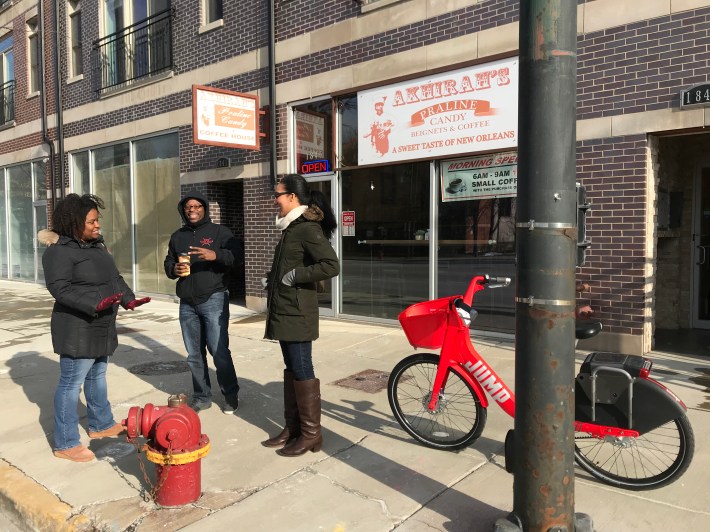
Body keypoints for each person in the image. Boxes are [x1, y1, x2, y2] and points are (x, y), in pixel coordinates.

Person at [39, 194, 151, 462]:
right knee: (70, 385)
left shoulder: (97, 247)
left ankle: (101, 424)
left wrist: (128, 298)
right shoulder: (59, 252)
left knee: (97, 376)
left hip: (102, 323)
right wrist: (97, 303)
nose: (97, 225)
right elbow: (60, 289)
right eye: (91, 221)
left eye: (97, 220)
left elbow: (115, 278)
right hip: (77, 326)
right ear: (74, 223)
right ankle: (65, 443)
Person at [261, 174, 340, 457]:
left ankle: (311, 434)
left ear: (293, 197)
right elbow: (288, 264)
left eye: (278, 194)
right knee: (292, 369)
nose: (275, 200)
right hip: (285, 309)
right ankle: (293, 428)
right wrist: (273, 278)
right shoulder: (290, 229)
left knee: (302, 368)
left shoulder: (306, 228)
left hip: (297, 312)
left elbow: (331, 265)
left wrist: (296, 275)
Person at [164, 191, 242, 415]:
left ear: (204, 208)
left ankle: (230, 395)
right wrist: (173, 269)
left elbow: (236, 257)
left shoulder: (220, 232)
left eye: (197, 206)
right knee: (193, 354)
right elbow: (169, 261)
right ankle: (202, 396)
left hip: (214, 297)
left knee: (218, 351)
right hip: (187, 302)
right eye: (188, 207)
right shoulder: (178, 236)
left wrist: (215, 255)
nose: (193, 210)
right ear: (183, 210)